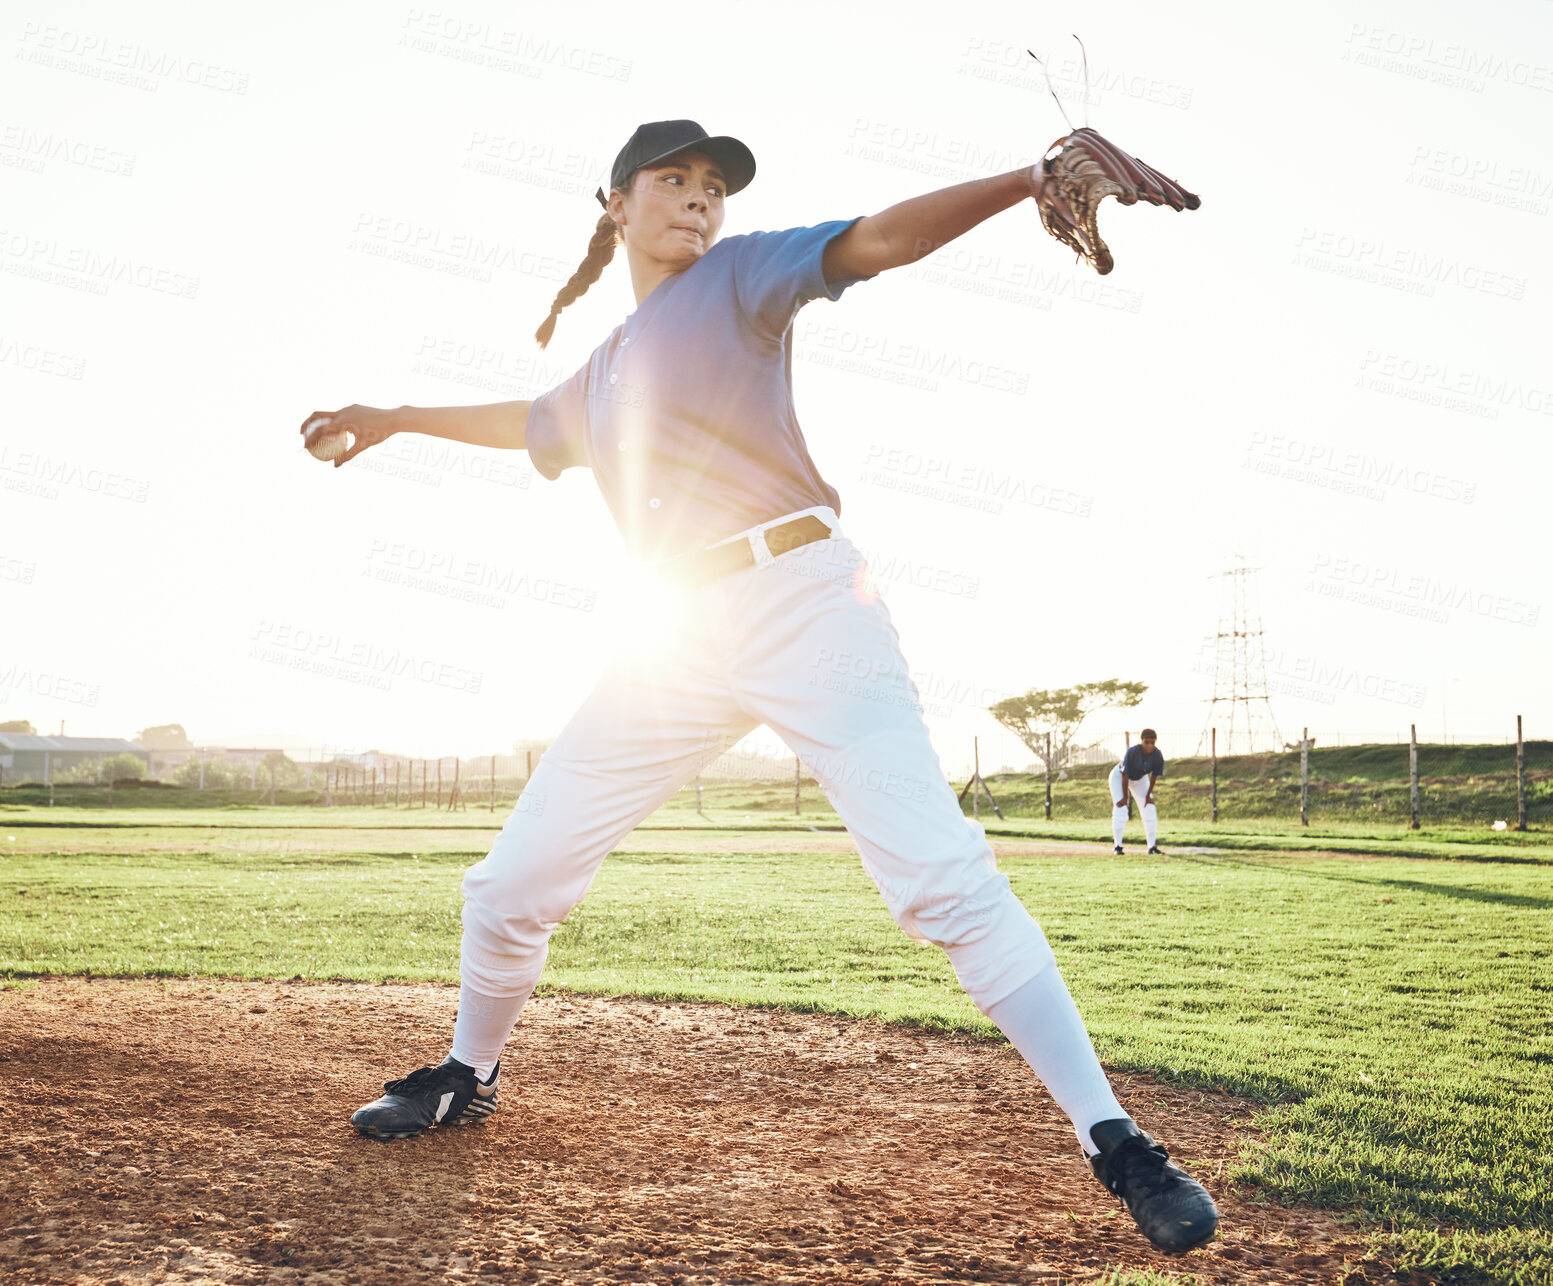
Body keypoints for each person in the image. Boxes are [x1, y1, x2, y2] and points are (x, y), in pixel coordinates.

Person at [308, 119, 1216, 1253]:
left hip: (807, 602)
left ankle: (1113, 1139)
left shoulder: (738, 278)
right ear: (614, 202)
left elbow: (873, 240)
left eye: (711, 187)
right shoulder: (604, 369)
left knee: (939, 878)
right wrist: (392, 416)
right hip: (673, 635)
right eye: (671, 179)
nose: (697, 199)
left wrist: (1027, 180)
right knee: (506, 884)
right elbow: (528, 421)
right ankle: (467, 1071)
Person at [1110, 730, 1164, 855]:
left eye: (1152, 742)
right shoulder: (1133, 752)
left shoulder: (1157, 755)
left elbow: (1154, 776)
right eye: (1146, 742)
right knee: (1121, 808)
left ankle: (1152, 847)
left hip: (1140, 779)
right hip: (1119, 777)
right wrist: (1125, 798)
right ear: (1141, 741)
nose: (1149, 745)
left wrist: (1148, 795)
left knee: (1149, 807)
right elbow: (1125, 775)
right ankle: (1118, 846)